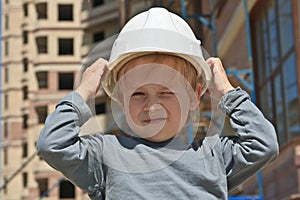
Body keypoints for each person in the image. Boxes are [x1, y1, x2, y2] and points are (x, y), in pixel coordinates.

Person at [37, 7, 278, 200]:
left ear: (195, 96)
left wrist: (227, 92)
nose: (152, 106)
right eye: (138, 94)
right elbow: (52, 145)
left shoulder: (214, 155)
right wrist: (83, 92)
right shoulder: (106, 156)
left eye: (167, 93)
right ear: (120, 100)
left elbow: (264, 144)